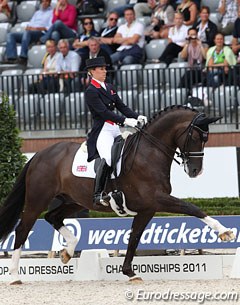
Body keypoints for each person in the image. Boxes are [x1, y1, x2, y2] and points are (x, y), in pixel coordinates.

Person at [84, 56, 147, 208]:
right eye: (101, 69)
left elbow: (122, 107)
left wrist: (136, 116)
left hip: (114, 128)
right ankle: (98, 194)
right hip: (103, 130)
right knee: (108, 158)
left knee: (125, 156)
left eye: (105, 68)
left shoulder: (110, 87)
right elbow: (104, 112)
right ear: (92, 71)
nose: (105, 71)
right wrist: (125, 121)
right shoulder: (91, 91)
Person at [3, 0, 53, 65]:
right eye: (43, 1)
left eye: (46, 1)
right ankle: (12, 58)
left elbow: (48, 28)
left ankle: (23, 57)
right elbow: (30, 24)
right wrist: (28, 27)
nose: (44, 3)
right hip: (30, 32)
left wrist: (35, 29)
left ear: (49, 3)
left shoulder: (51, 13)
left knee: (27, 33)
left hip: (41, 33)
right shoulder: (37, 13)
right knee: (11, 35)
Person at [179, 27, 206, 95]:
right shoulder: (187, 46)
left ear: (197, 35)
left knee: (188, 75)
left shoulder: (204, 45)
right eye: (191, 35)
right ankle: (184, 92)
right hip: (191, 70)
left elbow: (205, 56)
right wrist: (187, 44)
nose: (193, 36)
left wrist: (200, 45)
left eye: (194, 34)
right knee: (188, 75)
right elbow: (182, 56)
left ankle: (184, 92)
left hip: (201, 70)